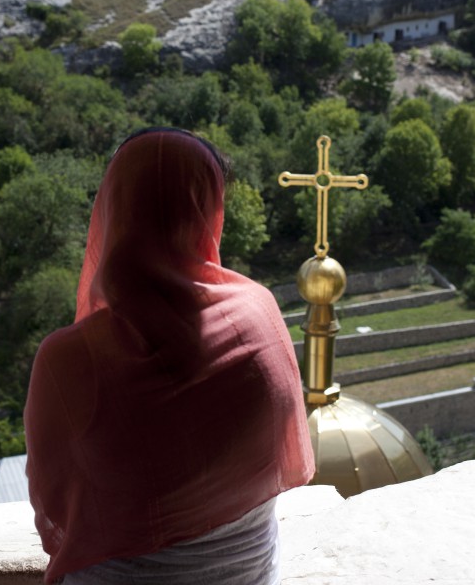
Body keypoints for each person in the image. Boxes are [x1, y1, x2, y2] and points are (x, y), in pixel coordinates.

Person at [24, 127, 314, 584]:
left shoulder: (70, 358)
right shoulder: (259, 314)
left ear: (113, 210)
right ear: (208, 211)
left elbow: (54, 503)